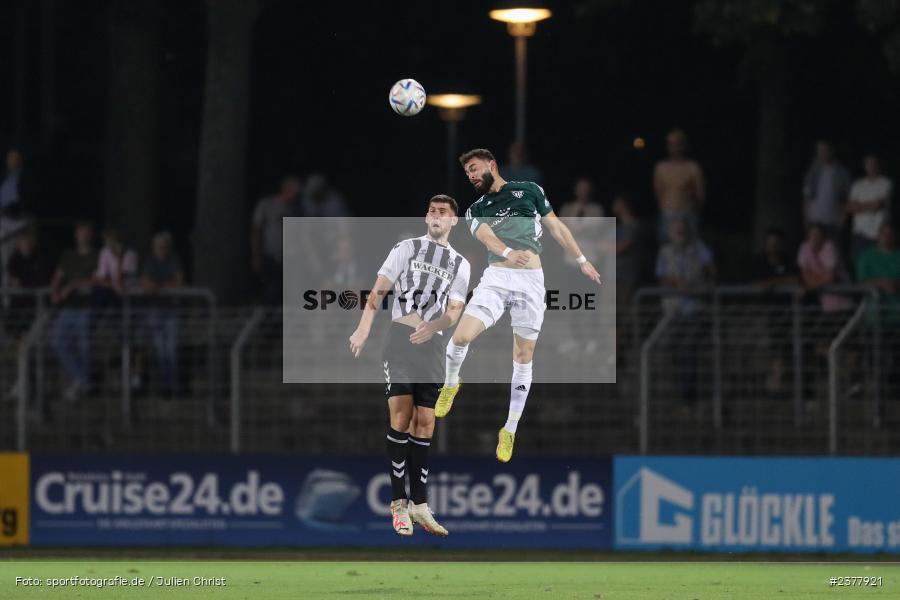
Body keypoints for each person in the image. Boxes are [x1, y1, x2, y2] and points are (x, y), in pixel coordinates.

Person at [436, 148, 601, 463]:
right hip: (497, 277)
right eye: (466, 172)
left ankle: (509, 429)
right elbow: (486, 238)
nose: (470, 175)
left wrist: (581, 259)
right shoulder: (476, 209)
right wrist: (508, 251)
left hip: (531, 282)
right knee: (460, 337)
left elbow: (556, 227)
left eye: (473, 168)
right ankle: (451, 383)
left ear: (492, 165)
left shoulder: (530, 191)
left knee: (523, 358)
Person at [348, 195, 470, 537]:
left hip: (431, 345)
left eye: (443, 212)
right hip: (400, 340)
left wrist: (433, 326)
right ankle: (398, 503)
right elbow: (378, 291)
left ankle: (420, 504)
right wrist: (363, 327)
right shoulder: (407, 248)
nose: (436, 215)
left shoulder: (460, 263)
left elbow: (456, 309)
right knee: (401, 416)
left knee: (426, 420)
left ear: (453, 222)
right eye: (432, 211)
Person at [50, 221, 99, 402]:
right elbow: (57, 276)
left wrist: (73, 285)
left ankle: (82, 382)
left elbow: (97, 280)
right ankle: (83, 379)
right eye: (81, 232)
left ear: (91, 235)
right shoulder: (67, 255)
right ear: (76, 235)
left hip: (86, 308)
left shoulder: (97, 255)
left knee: (84, 346)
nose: (84, 236)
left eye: (87, 233)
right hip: (68, 308)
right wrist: (55, 291)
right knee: (58, 342)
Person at [141, 231, 185, 398]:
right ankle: (166, 386)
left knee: (172, 350)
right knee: (161, 351)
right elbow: (145, 283)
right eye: (159, 247)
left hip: (172, 311)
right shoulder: (150, 261)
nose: (162, 250)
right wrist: (163, 286)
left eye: (164, 247)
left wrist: (159, 287)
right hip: (155, 311)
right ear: (153, 248)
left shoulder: (174, 259)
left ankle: (175, 385)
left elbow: (180, 282)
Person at [251, 176, 302, 305]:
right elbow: (256, 231)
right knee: (269, 293)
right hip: (269, 256)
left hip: (289, 258)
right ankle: (264, 323)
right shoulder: (267, 205)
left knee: (291, 294)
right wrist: (256, 255)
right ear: (285, 190)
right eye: (293, 192)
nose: (295, 196)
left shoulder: (294, 210)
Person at [653, 129, 705, 243]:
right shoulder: (661, 167)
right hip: (667, 215)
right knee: (667, 250)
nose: (674, 147)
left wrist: (690, 208)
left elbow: (700, 195)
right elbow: (658, 193)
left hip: (687, 215)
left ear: (684, 145)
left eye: (678, 143)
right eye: (671, 144)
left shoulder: (693, 167)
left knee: (689, 250)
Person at [847, 154, 892, 267]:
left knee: (878, 265)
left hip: (878, 233)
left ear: (878, 165)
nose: (871, 166)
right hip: (860, 233)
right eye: (869, 164)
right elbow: (850, 208)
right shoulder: (857, 185)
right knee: (859, 264)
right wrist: (870, 204)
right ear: (865, 166)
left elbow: (878, 205)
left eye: (874, 163)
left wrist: (859, 206)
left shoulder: (886, 183)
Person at [802, 140, 851, 237]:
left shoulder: (842, 173)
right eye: (819, 150)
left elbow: (848, 199)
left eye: (824, 150)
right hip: (814, 221)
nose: (822, 153)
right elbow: (806, 198)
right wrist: (805, 220)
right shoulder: (812, 171)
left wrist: (842, 221)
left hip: (833, 222)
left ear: (831, 151)